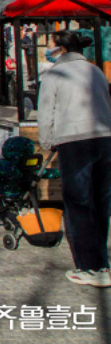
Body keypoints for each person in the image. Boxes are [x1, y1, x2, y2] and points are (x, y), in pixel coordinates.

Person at [37, 30, 111, 287]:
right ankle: (102, 263)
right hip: (104, 139)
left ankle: (88, 268)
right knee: (101, 202)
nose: (47, 49)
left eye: (49, 44)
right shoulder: (95, 71)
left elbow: (46, 112)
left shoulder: (55, 74)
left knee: (78, 203)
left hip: (74, 141)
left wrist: (47, 142)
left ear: (60, 49)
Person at [0, 136, 59, 213]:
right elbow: (43, 172)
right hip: (24, 192)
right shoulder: (29, 164)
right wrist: (57, 173)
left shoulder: (2, 165)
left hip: (4, 191)